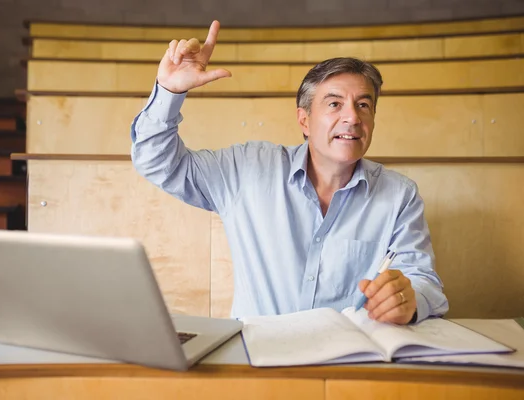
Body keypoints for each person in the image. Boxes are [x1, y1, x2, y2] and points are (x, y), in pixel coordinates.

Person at [131, 20, 449, 325]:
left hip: (350, 364)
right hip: (259, 362)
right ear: (304, 121)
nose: (352, 117)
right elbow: (156, 161)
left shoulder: (400, 195)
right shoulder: (246, 169)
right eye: (335, 104)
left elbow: (425, 283)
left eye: (364, 105)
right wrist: (169, 94)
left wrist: (409, 299)